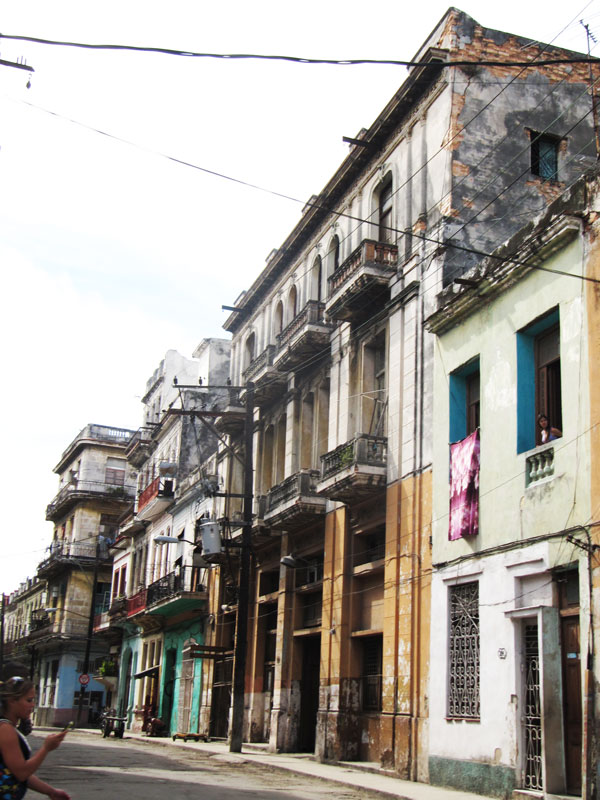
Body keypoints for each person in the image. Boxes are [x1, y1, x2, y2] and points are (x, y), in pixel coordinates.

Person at [0, 676, 71, 800]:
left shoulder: (7, 727)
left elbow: (17, 772)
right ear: (12, 701)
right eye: (29, 700)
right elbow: (22, 773)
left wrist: (51, 792)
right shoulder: (5, 729)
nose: (33, 705)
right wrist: (46, 748)